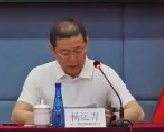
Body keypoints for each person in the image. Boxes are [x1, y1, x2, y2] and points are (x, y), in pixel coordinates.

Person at [11, 19, 145, 125]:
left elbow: (137, 113)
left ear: (87, 43)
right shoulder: (39, 74)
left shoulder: (103, 72)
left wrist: (112, 118)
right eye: (65, 53)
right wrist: (53, 118)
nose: (73, 59)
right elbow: (17, 114)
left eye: (78, 50)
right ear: (52, 50)